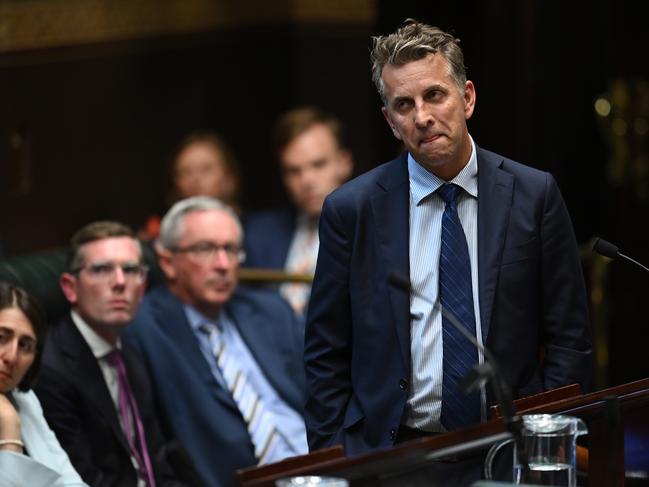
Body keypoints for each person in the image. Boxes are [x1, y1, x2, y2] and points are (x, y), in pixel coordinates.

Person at [304, 20, 593, 457]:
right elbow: (326, 351)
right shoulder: (352, 210)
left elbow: (568, 336)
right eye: (404, 104)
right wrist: (335, 456)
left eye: (434, 95)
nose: (422, 116)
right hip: (394, 453)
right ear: (390, 120)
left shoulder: (533, 195)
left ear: (467, 98)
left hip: (509, 445)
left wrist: (547, 437)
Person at [124, 196, 307, 487]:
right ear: (167, 262)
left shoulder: (271, 310)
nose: (223, 264)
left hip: (326, 467)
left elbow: (323, 397)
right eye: (206, 249)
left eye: (231, 250)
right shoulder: (143, 328)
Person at [34, 221, 190, 486]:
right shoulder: (51, 368)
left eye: (130, 270)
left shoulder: (130, 353)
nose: (119, 282)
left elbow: (157, 460)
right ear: (70, 287)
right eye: (102, 269)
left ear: (142, 287)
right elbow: (81, 477)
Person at [243, 107, 353, 315]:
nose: (307, 180)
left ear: (344, 163)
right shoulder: (259, 233)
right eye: (294, 171)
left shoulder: (374, 230)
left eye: (318, 165)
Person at [0, 282, 87, 487]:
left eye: (25, 345)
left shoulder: (24, 400)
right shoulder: (9, 415)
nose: (12, 357)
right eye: (2, 337)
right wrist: (9, 429)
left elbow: (70, 481)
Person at [141, 131, 242, 240]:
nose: (195, 179)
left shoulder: (259, 233)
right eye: (186, 171)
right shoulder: (160, 235)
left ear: (229, 177)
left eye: (206, 169)